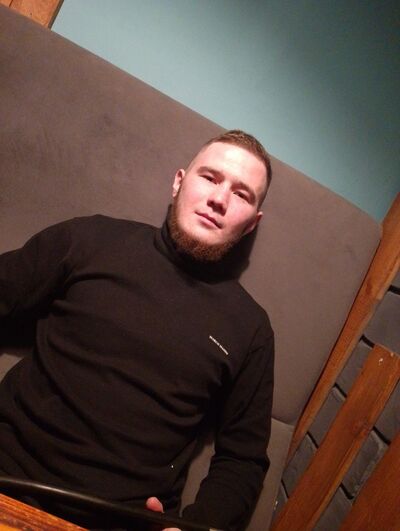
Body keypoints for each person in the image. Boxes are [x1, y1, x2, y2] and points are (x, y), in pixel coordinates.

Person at [0, 130, 274, 531]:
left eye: (242, 194)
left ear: (252, 223)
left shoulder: (251, 329)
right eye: (210, 177)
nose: (219, 199)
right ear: (179, 182)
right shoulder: (90, 239)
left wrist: (197, 525)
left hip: (120, 522)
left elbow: (243, 459)